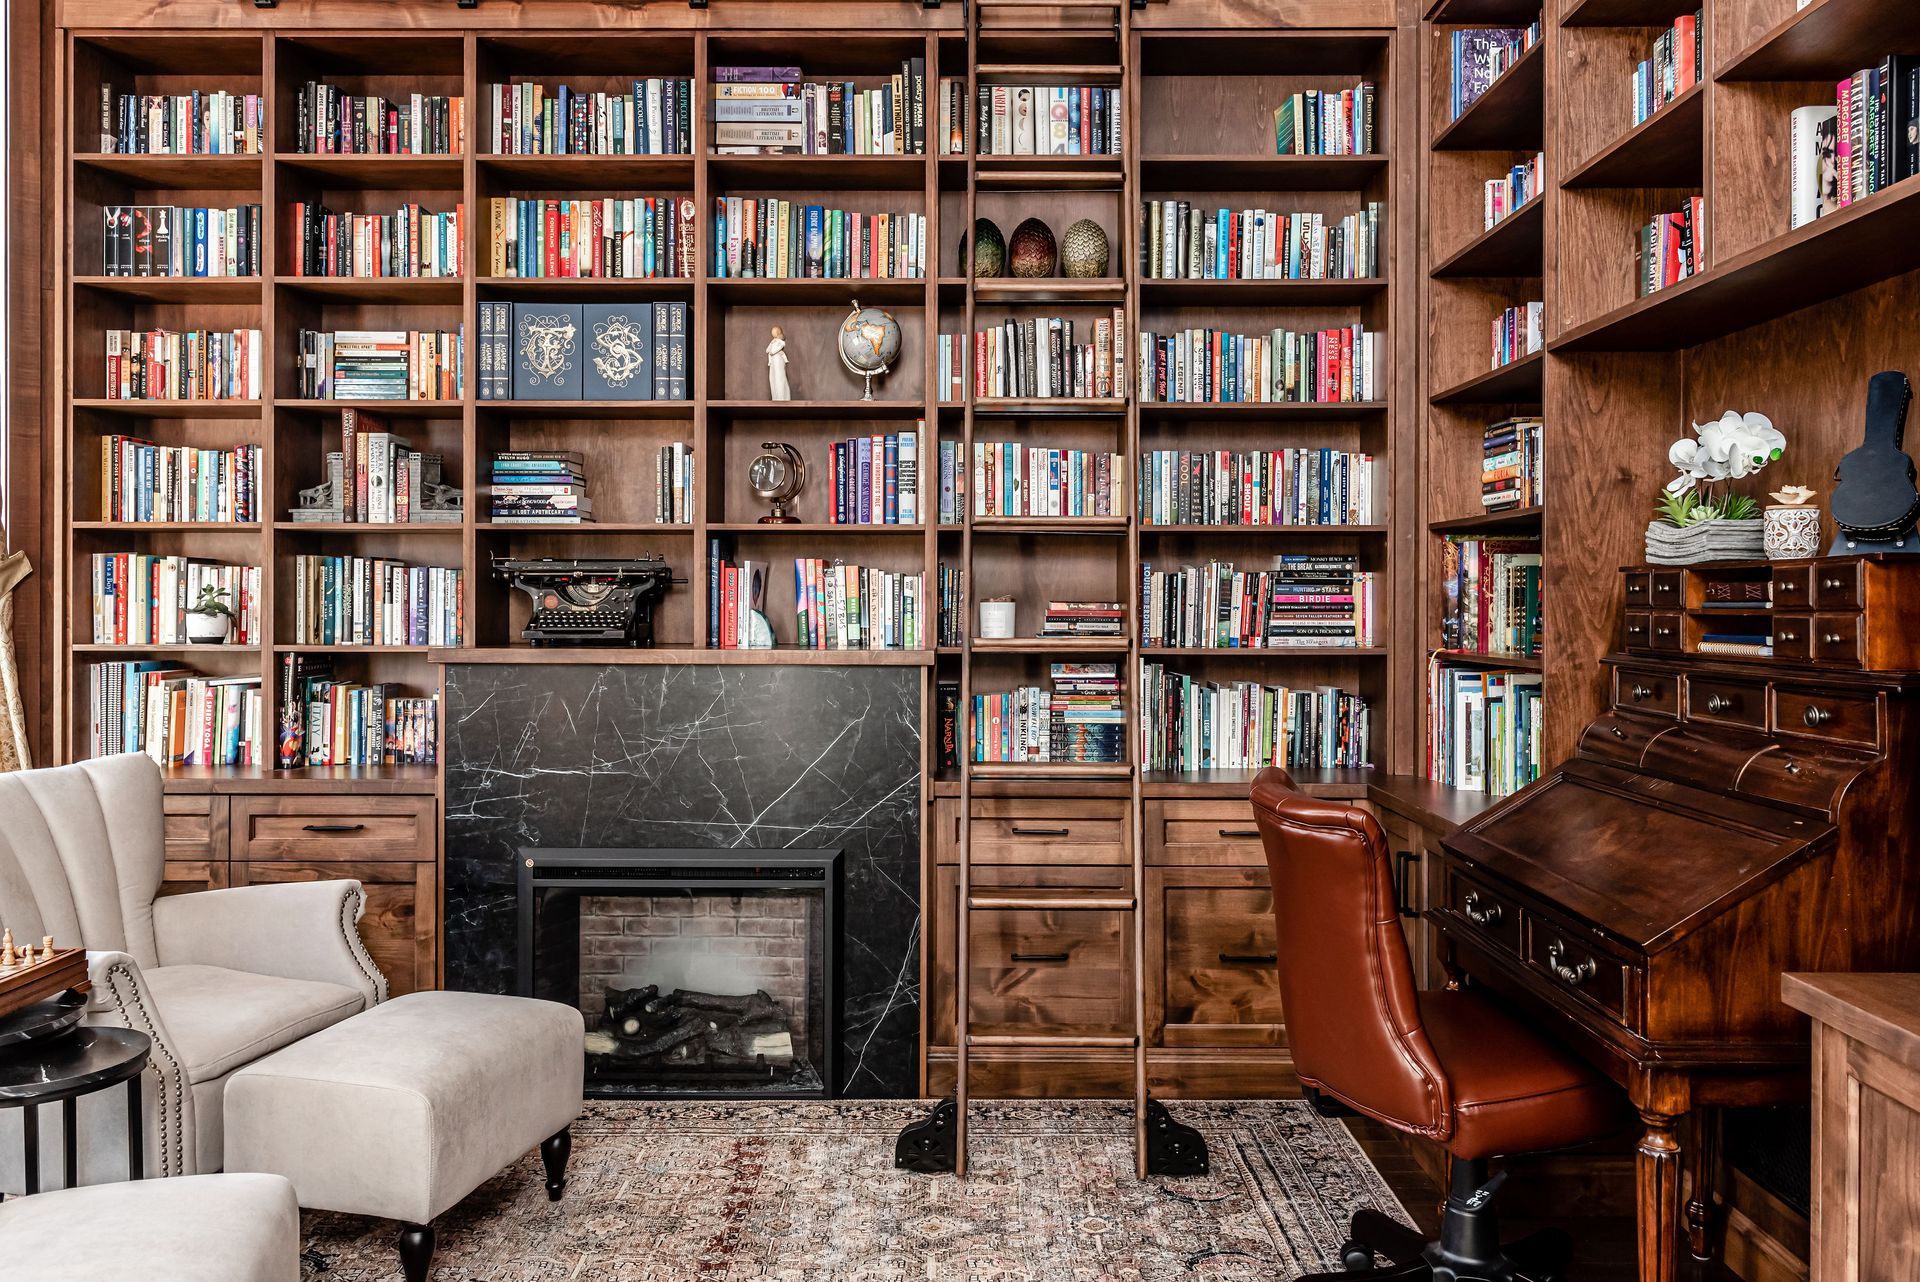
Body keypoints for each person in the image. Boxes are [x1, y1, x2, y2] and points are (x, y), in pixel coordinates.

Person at [766, 326, 791, 401]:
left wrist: (772, 352)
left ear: (778, 332)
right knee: (773, 377)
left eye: (774, 331)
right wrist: (771, 343)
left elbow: (777, 348)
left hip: (778, 359)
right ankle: (776, 398)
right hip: (773, 361)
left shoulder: (781, 342)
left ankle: (783, 398)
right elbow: (767, 350)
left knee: (779, 377)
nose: (772, 333)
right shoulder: (773, 341)